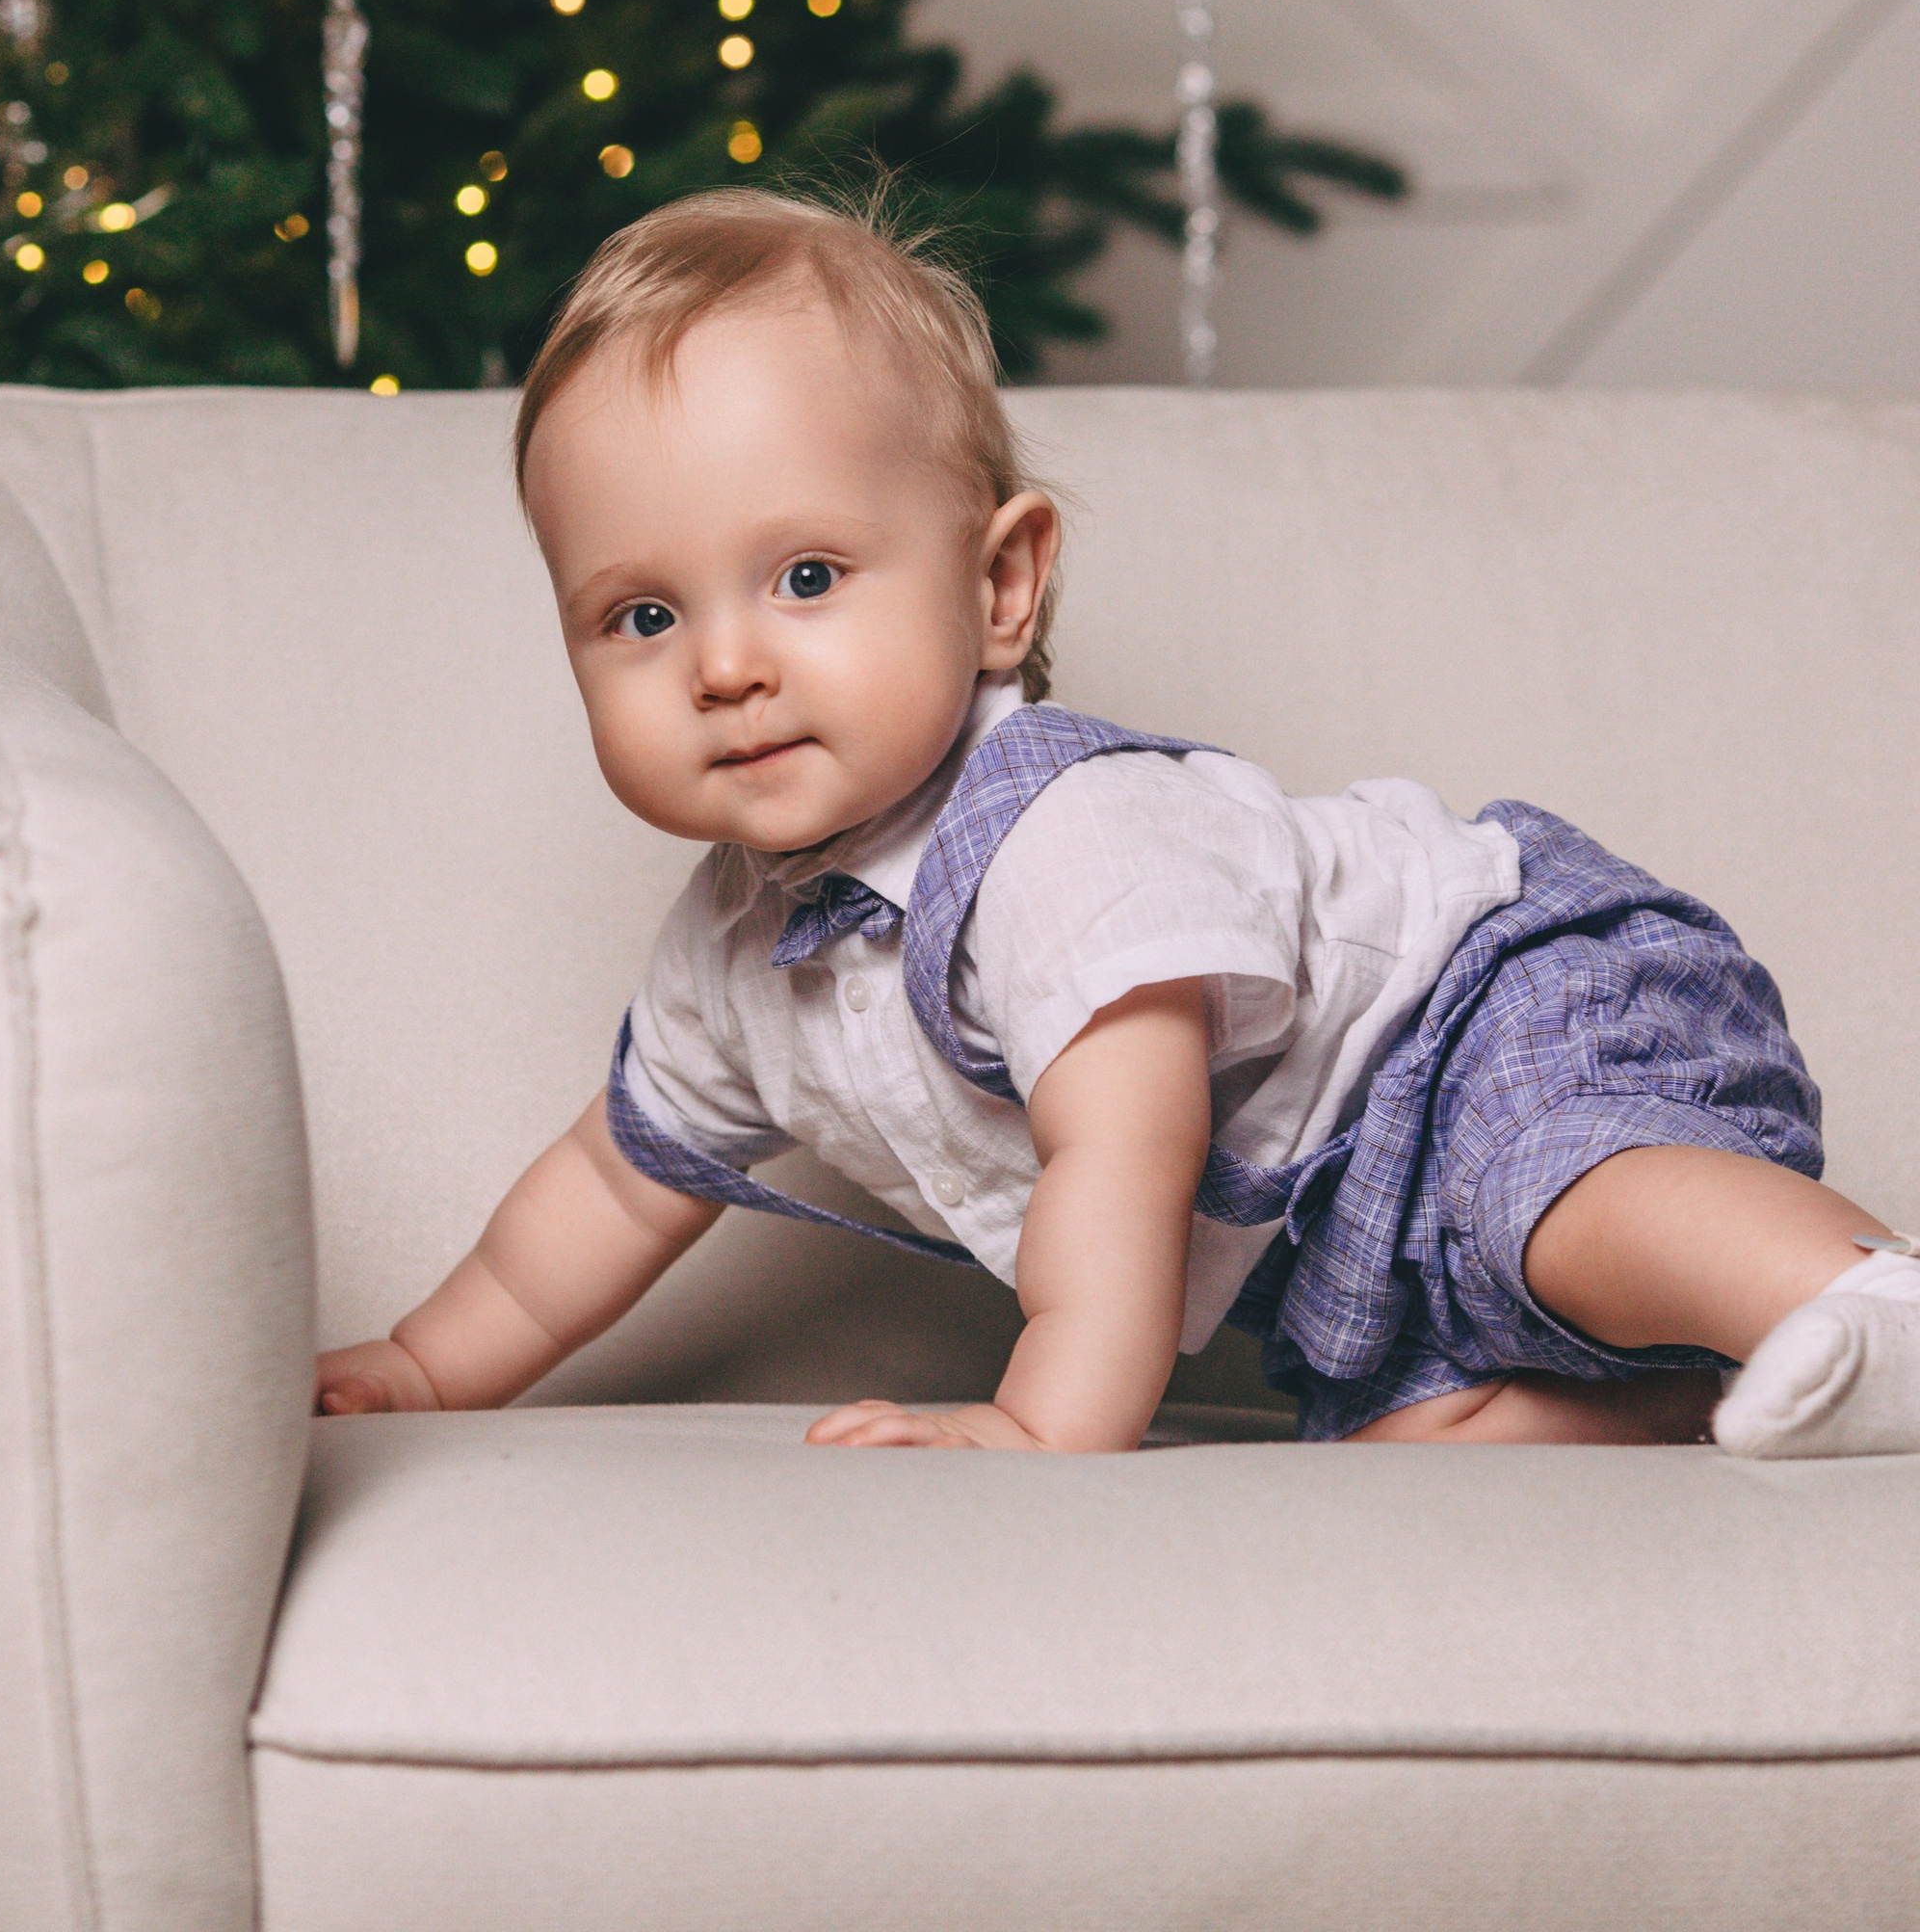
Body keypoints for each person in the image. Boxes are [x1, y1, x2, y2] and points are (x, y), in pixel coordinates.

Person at [316, 190, 1920, 1454]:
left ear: (1001, 585)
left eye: (806, 578)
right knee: (1424, 1439)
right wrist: (420, 1366)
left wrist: (1047, 1418)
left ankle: (1858, 1301)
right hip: (1344, 1240)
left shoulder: (1056, 840)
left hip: (1500, 1015)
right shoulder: (737, 955)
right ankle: (1739, 1401)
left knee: (1556, 1201)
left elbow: (1126, 1145)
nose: (727, 665)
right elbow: (604, 1191)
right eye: (641, 616)